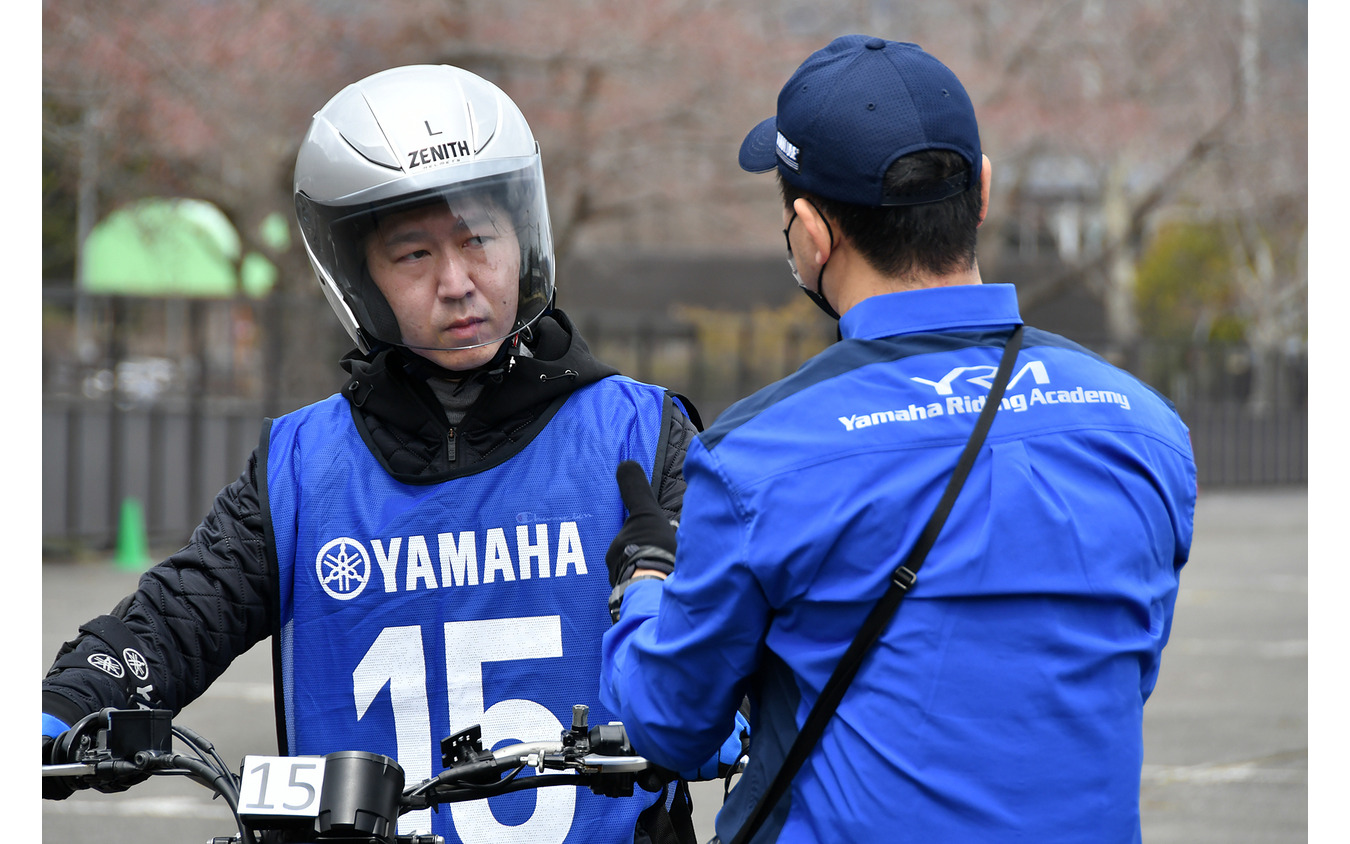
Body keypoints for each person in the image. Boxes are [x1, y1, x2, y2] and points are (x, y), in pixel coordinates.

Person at [42, 64, 709, 844]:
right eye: (413, 255)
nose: (458, 282)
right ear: (361, 280)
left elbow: (737, 629)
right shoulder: (302, 466)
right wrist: (67, 703)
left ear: (522, 242)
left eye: (478, 239)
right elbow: (180, 614)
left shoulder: (640, 432)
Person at [599, 35, 1198, 843]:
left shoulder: (757, 459)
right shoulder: (1146, 428)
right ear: (982, 194)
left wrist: (644, 582)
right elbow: (1112, 677)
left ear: (810, 235)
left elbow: (671, 728)